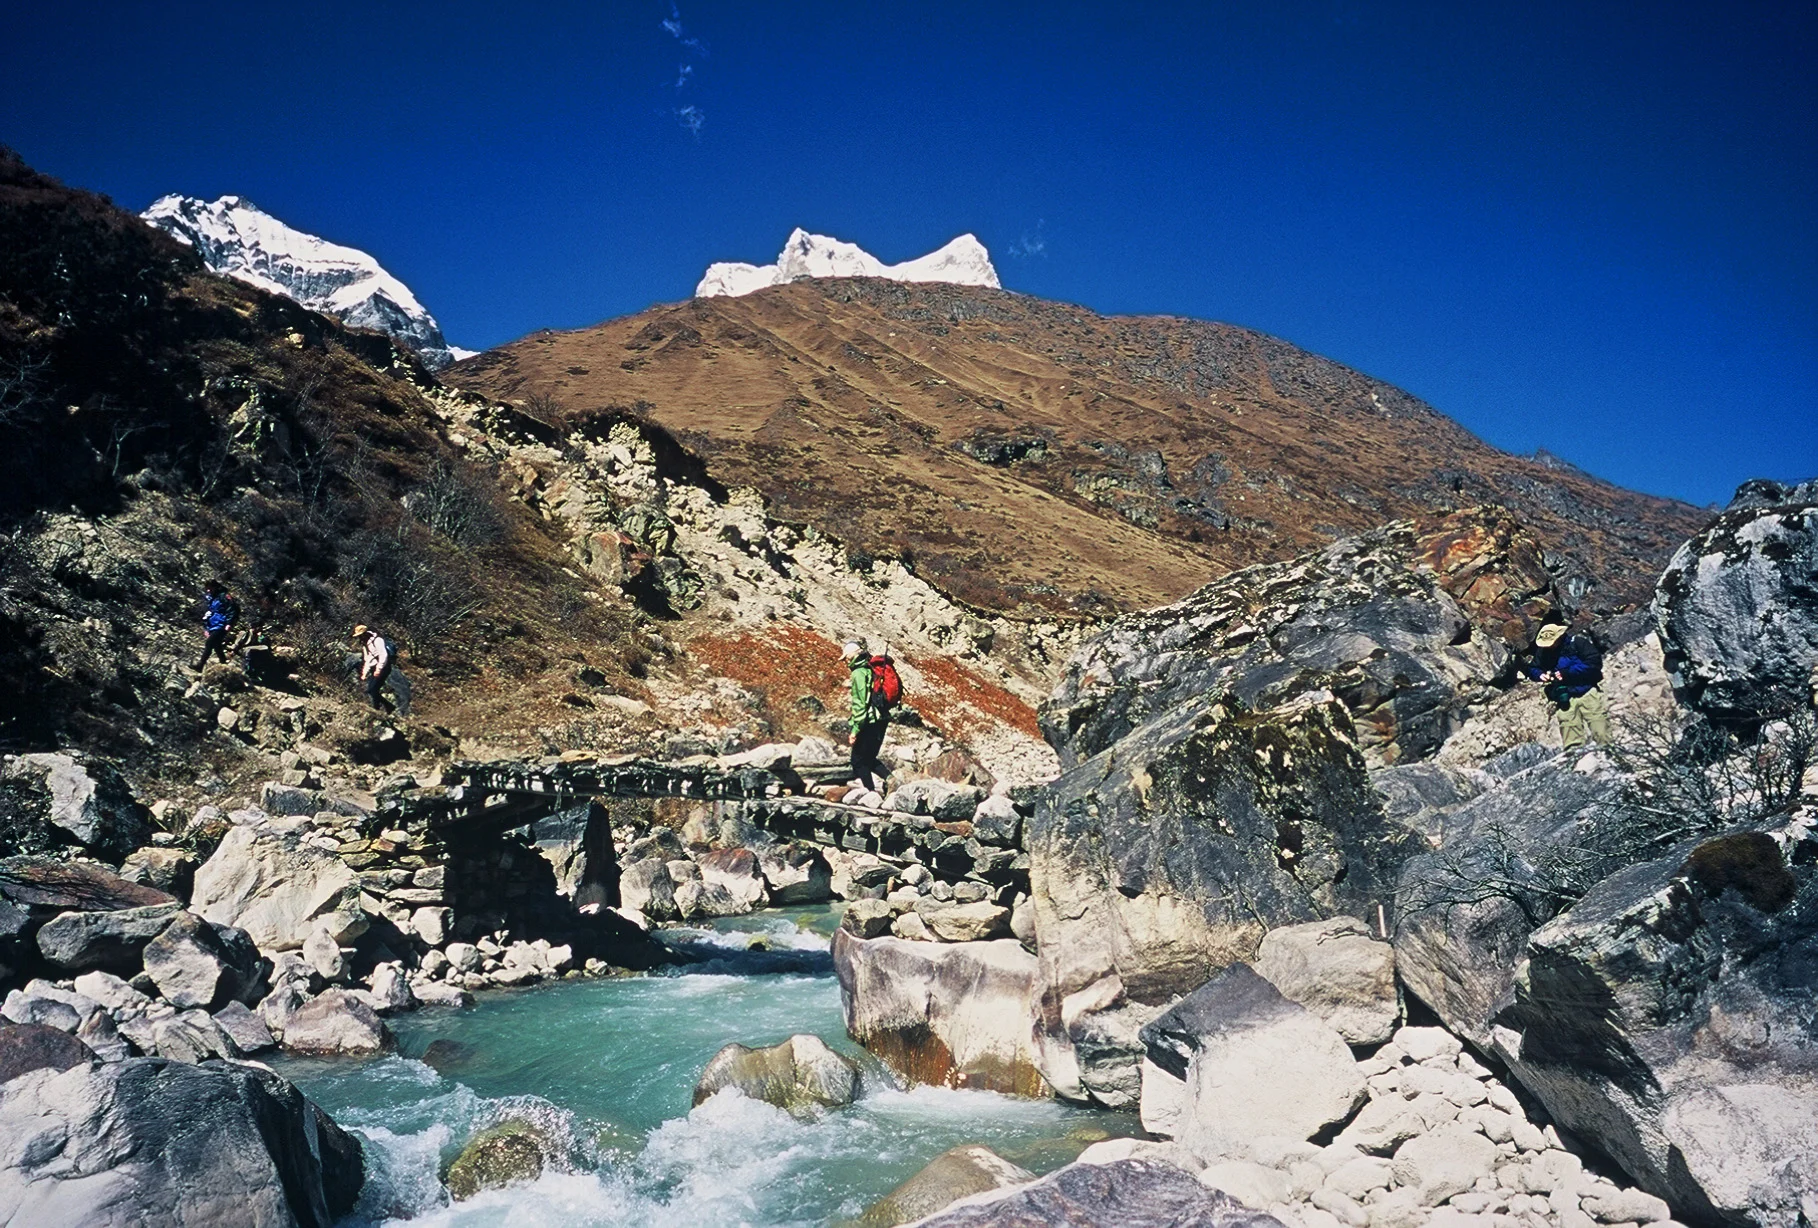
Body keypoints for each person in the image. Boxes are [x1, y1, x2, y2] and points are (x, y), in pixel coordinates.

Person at [1524, 621, 1611, 750]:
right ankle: (1575, 763)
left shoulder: (1578, 644)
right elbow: (1533, 668)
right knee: (1570, 735)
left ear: (1559, 637)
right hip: (1563, 696)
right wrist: (1539, 675)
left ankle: (1610, 755)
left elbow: (1594, 664)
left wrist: (1567, 673)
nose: (1548, 646)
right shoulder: (1543, 652)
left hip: (1587, 691)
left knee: (1600, 730)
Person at [845, 639, 889, 792]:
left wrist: (855, 730)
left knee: (857, 761)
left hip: (869, 721)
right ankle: (893, 781)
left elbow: (860, 704)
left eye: (846, 657)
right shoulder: (870, 667)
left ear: (852, 657)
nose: (845, 660)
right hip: (882, 718)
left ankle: (870, 793)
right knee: (869, 759)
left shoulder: (858, 673)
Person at [195, 582, 240, 670]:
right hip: (213, 624)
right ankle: (223, 662)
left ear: (215, 587)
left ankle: (200, 665)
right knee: (217, 645)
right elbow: (210, 613)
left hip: (222, 624)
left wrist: (229, 623)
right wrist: (207, 627)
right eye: (207, 588)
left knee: (209, 643)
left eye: (210, 588)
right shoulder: (212, 598)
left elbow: (232, 609)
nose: (208, 590)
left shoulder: (224, 596)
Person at [353, 625, 396, 713]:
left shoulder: (377, 640)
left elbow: (383, 655)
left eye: (360, 635)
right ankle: (383, 708)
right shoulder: (365, 644)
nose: (359, 638)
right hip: (374, 668)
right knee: (372, 690)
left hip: (383, 667)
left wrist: (379, 669)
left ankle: (382, 708)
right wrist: (365, 672)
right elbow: (368, 659)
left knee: (372, 689)